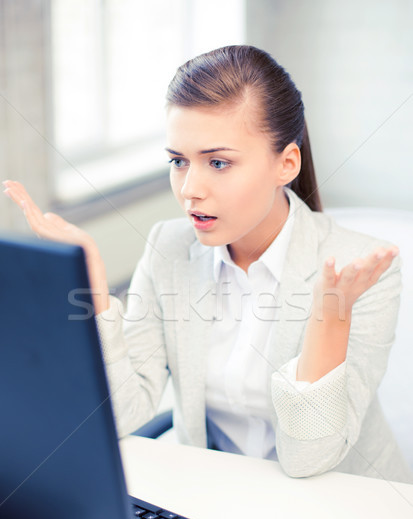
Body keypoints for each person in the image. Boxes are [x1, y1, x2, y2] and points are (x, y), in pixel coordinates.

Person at [3, 45, 412, 483]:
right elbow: (121, 412)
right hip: (218, 495)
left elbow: (308, 459)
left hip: (344, 504)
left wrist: (329, 318)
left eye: (218, 162)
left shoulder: (362, 273)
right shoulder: (169, 247)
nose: (190, 190)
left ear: (286, 164)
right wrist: (94, 288)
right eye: (178, 162)